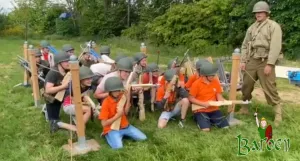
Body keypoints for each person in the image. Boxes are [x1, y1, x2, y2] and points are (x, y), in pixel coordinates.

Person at [239, 1, 282, 126]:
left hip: (266, 60)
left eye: (261, 12)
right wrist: (243, 60)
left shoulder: (273, 26)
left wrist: (270, 64)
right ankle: (245, 107)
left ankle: (278, 113)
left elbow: (275, 47)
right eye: (256, 12)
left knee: (269, 87)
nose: (258, 14)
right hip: (252, 59)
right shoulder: (252, 28)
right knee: (246, 85)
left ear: (266, 13)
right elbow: (245, 45)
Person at [99, 76, 147, 149]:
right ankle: (106, 135)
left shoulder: (122, 96)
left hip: (125, 126)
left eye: (119, 90)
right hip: (112, 129)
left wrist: (127, 99)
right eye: (115, 91)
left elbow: (126, 112)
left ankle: (122, 135)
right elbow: (103, 123)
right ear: (110, 91)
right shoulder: (105, 103)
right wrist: (117, 116)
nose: (118, 92)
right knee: (118, 148)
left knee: (143, 138)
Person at [188, 63, 229, 132]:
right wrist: (203, 104)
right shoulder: (196, 84)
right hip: (200, 110)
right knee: (206, 129)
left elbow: (219, 95)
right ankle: (198, 119)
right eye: (211, 75)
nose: (213, 76)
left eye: (214, 75)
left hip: (214, 109)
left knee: (225, 127)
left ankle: (209, 120)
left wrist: (221, 100)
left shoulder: (215, 82)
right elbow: (191, 98)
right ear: (204, 76)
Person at [44, 51, 71, 133]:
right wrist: (63, 86)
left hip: (62, 95)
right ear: (59, 63)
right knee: (54, 120)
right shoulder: (53, 73)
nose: (68, 63)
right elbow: (48, 90)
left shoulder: (67, 70)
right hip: (52, 98)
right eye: (66, 61)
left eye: (69, 60)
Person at [61, 66, 93, 132]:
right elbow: (74, 101)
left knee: (82, 129)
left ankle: (60, 124)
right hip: (69, 105)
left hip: (78, 104)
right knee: (88, 110)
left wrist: (88, 102)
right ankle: (79, 126)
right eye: (87, 79)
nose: (90, 80)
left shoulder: (87, 85)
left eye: (90, 78)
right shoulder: (74, 86)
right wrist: (87, 105)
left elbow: (86, 95)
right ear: (81, 79)